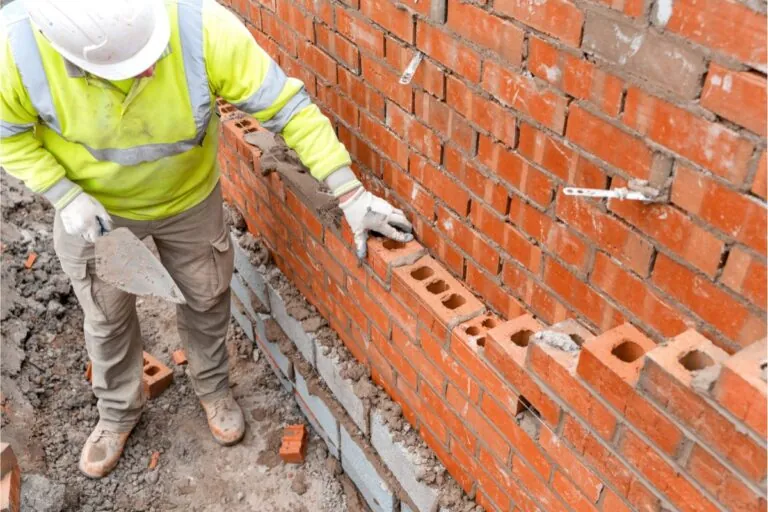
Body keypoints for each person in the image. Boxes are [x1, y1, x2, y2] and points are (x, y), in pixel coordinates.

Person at [0, 0, 413, 478]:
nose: (152, 66)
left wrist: (349, 191)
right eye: (133, 67)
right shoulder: (19, 48)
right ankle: (117, 413)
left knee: (206, 297)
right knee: (107, 316)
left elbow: (287, 107)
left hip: (189, 200)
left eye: (151, 53)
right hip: (96, 214)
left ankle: (214, 389)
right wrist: (63, 194)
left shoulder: (199, 26)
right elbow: (7, 137)